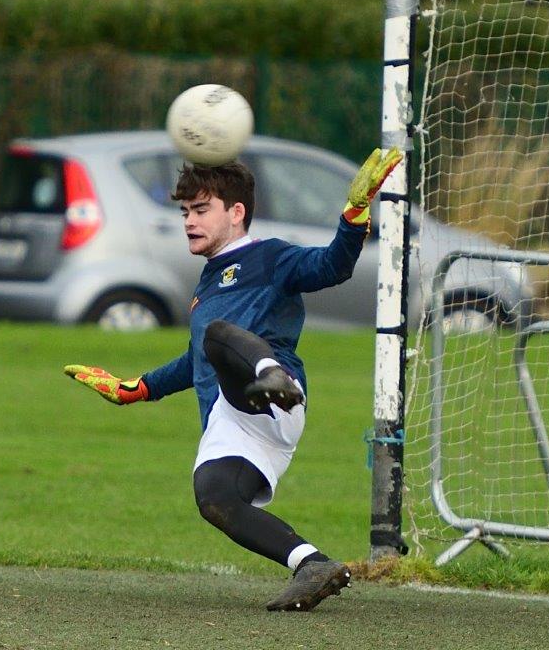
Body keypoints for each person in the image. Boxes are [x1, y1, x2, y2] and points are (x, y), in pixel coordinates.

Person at [65, 147, 400, 611]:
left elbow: (332, 266)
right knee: (214, 496)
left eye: (201, 210)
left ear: (236, 212)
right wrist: (137, 389)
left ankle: (270, 374)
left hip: (273, 393)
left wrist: (354, 213)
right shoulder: (207, 283)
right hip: (234, 419)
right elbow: (194, 360)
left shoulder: (270, 257)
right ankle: (313, 564)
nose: (188, 221)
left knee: (223, 336)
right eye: (185, 211)